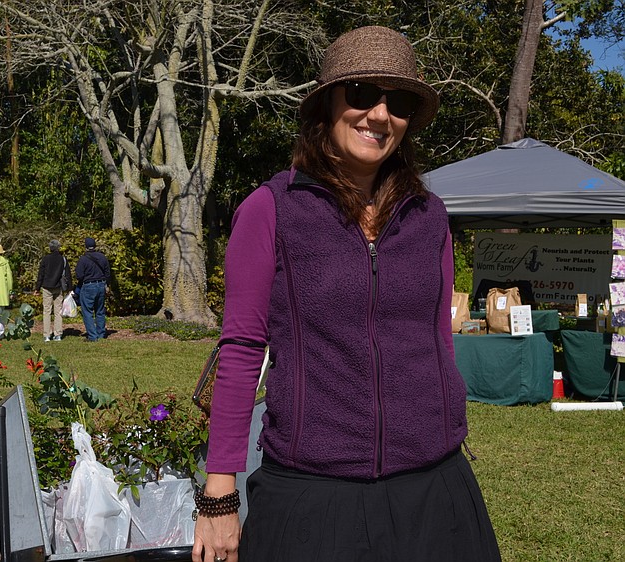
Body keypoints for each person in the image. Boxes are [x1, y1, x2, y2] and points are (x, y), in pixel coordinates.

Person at [192, 26, 501, 562]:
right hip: (313, 494)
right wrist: (219, 493)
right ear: (328, 105)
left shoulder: (430, 217)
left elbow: (437, 339)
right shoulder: (270, 210)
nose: (379, 115)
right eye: (361, 94)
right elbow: (240, 350)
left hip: (433, 485)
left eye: (399, 103)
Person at [74, 237, 110, 342]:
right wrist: (107, 285)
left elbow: (79, 275)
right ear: (95, 245)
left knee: (87, 311)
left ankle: (92, 336)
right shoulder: (102, 257)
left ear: (85, 246)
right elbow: (107, 273)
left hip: (88, 286)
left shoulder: (83, 259)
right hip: (101, 285)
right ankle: (101, 333)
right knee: (100, 310)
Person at [36, 239, 72, 342]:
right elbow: (68, 274)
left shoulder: (45, 259)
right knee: (58, 311)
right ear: (58, 247)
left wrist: (37, 288)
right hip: (58, 287)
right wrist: (69, 288)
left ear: (50, 248)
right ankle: (58, 334)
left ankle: (47, 335)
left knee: (47, 311)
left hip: (47, 287)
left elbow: (41, 274)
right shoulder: (63, 259)